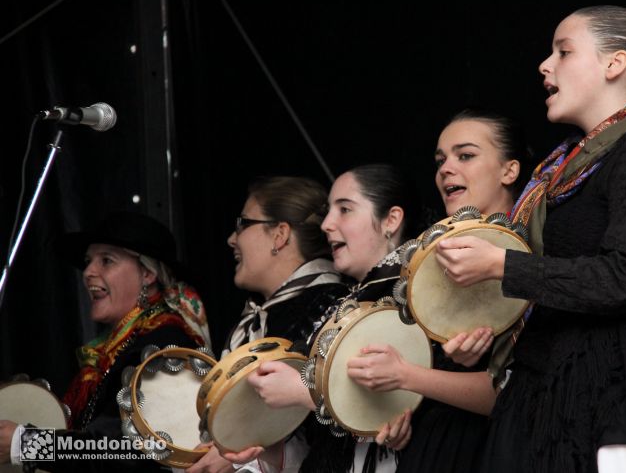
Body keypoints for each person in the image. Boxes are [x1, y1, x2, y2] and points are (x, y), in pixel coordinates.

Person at [437, 5, 626, 473]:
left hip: (622, 397)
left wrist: (502, 266)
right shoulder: (559, 169)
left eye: (563, 51)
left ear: (614, 64)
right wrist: (488, 332)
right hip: (549, 395)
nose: (544, 65)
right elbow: (557, 285)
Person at [344, 109, 533, 472]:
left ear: (509, 170)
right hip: (433, 448)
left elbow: (513, 391)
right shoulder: (427, 261)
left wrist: (407, 376)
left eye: (465, 155)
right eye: (441, 159)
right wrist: (401, 416)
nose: (445, 168)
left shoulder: (529, 259)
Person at [222, 164, 419, 473]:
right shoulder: (347, 303)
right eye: (329, 211)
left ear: (391, 220)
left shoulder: (414, 296)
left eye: (345, 209)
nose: (327, 224)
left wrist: (303, 391)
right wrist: (266, 443)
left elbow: (402, 408)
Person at [0, 211, 211, 472]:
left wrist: (26, 444)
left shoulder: (165, 345)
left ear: (147, 274)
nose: (88, 271)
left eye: (107, 261)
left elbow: (128, 450)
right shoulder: (118, 347)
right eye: (89, 261)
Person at [187, 176, 347, 473]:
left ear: (280, 235)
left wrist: (241, 457)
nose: (232, 239)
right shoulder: (260, 317)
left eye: (242, 224)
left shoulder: (331, 309)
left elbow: (332, 434)